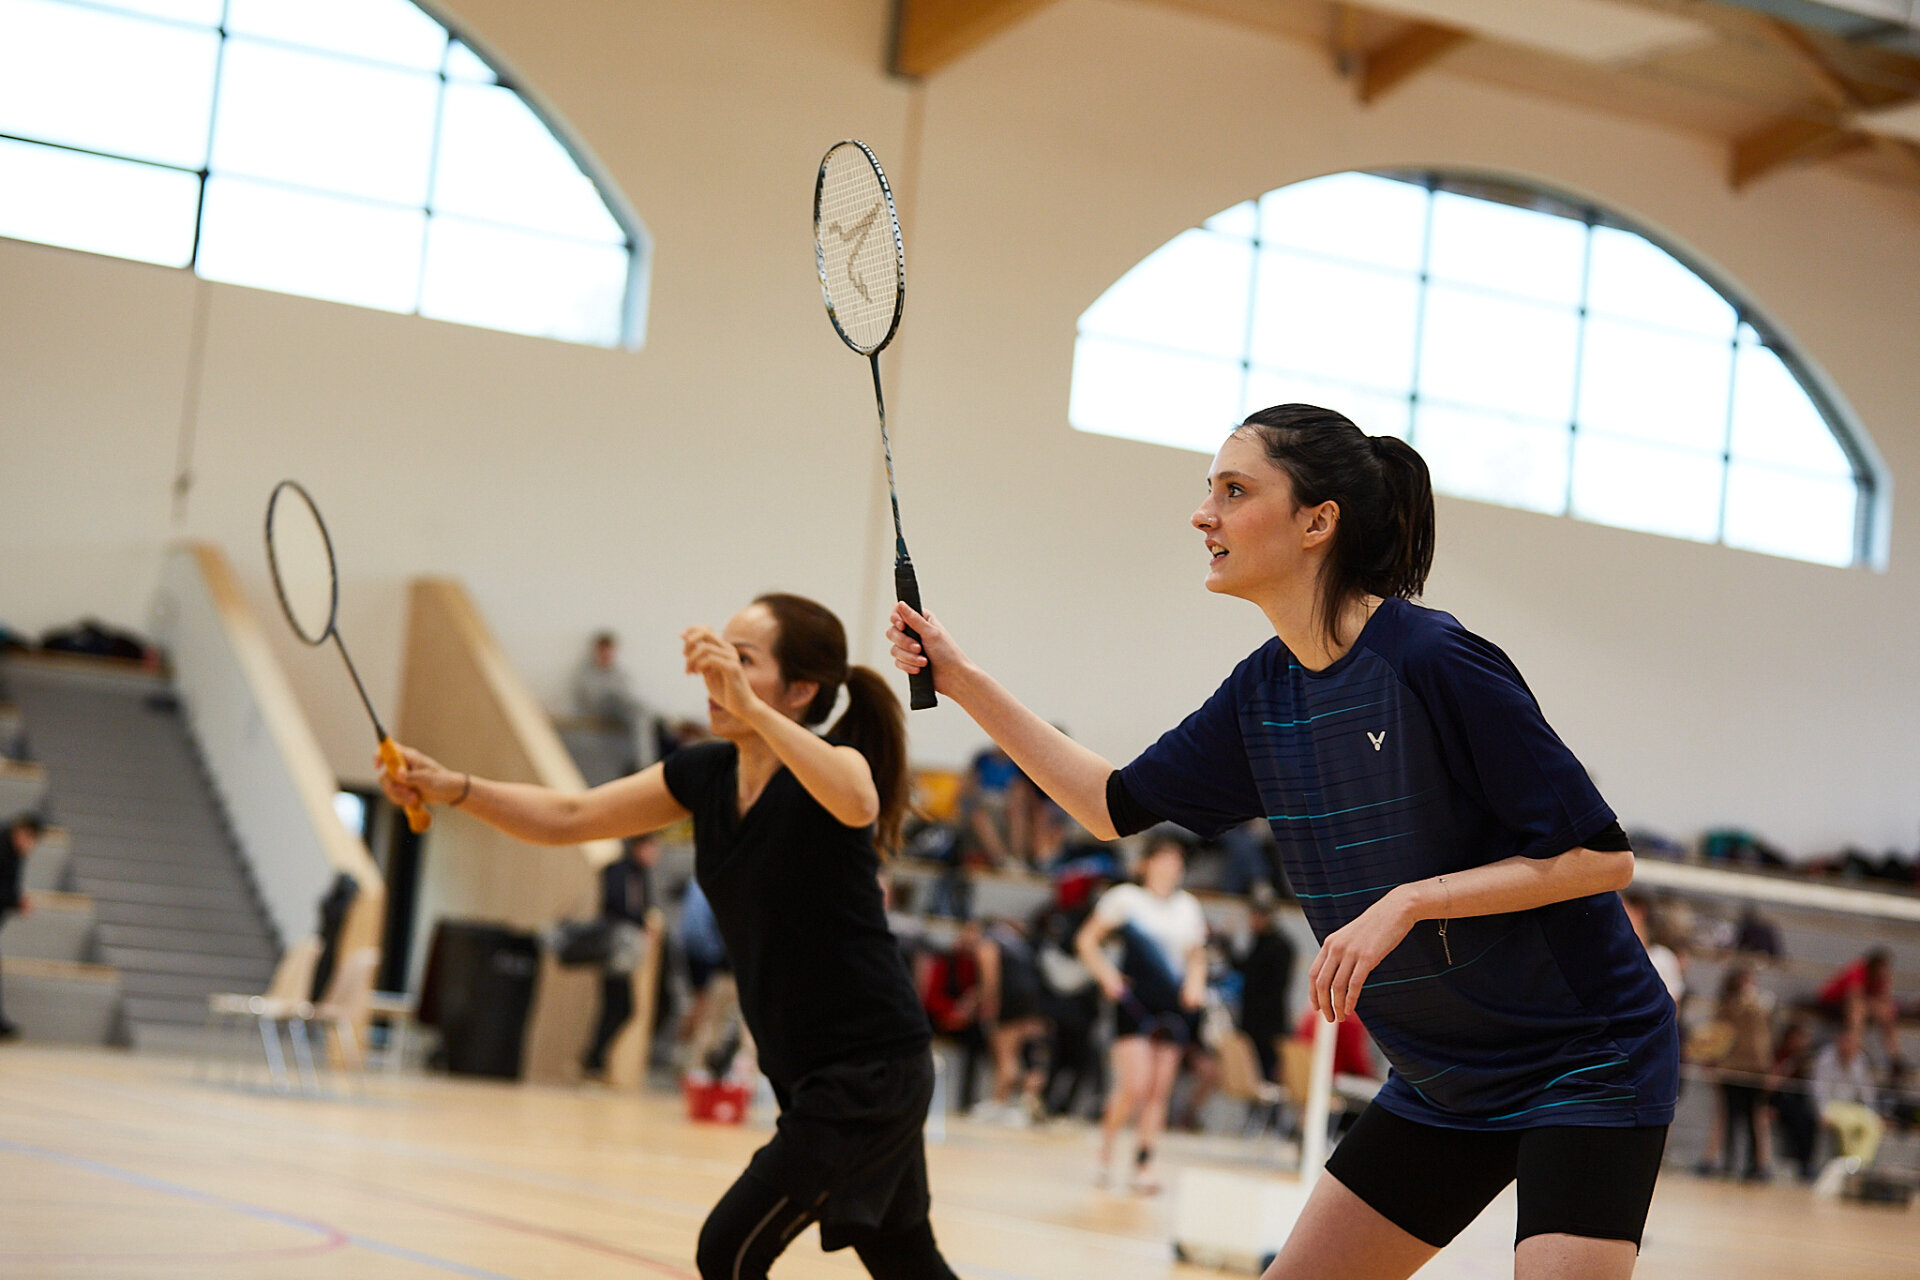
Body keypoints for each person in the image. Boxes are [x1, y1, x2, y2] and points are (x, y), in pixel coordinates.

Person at [889, 403, 1676, 1280]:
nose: (1203, 514)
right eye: (1210, 491)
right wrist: (961, 680)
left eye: (1234, 491)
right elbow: (1112, 806)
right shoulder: (1264, 693)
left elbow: (1603, 857)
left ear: (1317, 522)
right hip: (1441, 1078)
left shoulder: (1432, 659)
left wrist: (1412, 902)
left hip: (1583, 1059)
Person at [382, 594, 957, 1280]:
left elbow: (858, 800)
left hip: (870, 1069)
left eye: (742, 661)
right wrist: (454, 787)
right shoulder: (706, 774)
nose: (718, 675)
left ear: (801, 690)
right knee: (905, 1262)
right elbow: (569, 816)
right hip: (808, 1070)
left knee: (728, 1251)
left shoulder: (833, 767)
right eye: (720, 655)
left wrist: (751, 709)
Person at [1074, 831, 1209, 1193]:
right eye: (1164, 859)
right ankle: (1105, 1151)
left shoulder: (1188, 907)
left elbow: (1196, 956)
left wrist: (1195, 985)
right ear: (1146, 864)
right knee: (1134, 1086)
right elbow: (1086, 941)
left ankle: (1144, 1164)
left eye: (1176, 861)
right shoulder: (1125, 899)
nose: (1171, 867)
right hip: (1134, 1004)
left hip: (1173, 1007)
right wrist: (1107, 976)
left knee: (1158, 1090)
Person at [580, 832, 661, 1080]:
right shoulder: (619, 870)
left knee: (617, 1007)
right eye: (651, 848)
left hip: (627, 948)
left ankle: (595, 1061)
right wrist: (639, 923)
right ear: (638, 847)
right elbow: (618, 904)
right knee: (618, 1005)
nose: (654, 854)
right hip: (616, 947)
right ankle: (593, 1060)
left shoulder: (641, 875)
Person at [1709, 965, 1774, 1181]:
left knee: (1754, 1119)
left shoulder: (1760, 1004)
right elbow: (1720, 1033)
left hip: (1754, 1069)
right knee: (1729, 1118)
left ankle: (1755, 1164)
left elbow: (1764, 1036)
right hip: (1732, 1069)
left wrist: (1767, 1068)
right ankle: (1728, 1161)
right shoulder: (1727, 1005)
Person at [1236, 886, 1298, 1084]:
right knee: (1250, 1079)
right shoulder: (1259, 941)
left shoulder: (1280, 946)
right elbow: (1246, 970)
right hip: (1252, 1023)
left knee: (1269, 1080)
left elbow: (1274, 989)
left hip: (1269, 1026)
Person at [570, 630, 654, 774]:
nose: (605, 654)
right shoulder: (586, 673)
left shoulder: (619, 673)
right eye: (602, 651)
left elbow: (627, 695)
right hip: (598, 709)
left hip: (620, 711)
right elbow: (587, 699)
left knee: (641, 716)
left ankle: (644, 764)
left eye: (608, 651)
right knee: (617, 696)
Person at [1811, 1026, 1884, 1191]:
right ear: (1840, 1042)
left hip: (1852, 1107)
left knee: (1872, 1124)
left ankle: (1859, 1165)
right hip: (1831, 1107)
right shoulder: (1825, 1059)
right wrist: (1821, 1113)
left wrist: (1873, 1113)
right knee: (1848, 1126)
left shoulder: (1860, 1060)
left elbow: (1867, 1092)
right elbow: (1818, 1090)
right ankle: (1848, 1165)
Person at [1817, 948, 1900, 1067]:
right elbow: (1854, 996)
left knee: (1887, 1013)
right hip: (1832, 1001)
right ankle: (1856, 1047)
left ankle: (1894, 1056)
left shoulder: (1882, 978)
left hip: (1854, 1004)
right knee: (1858, 1009)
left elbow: (1884, 1000)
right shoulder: (1858, 970)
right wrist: (1874, 1005)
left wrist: (1882, 1008)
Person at [0, 815, 43, 1040]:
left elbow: (10, 885)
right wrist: (17, 901)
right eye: (28, 838)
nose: (29, 845)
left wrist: (16, 899)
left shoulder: (14, 851)